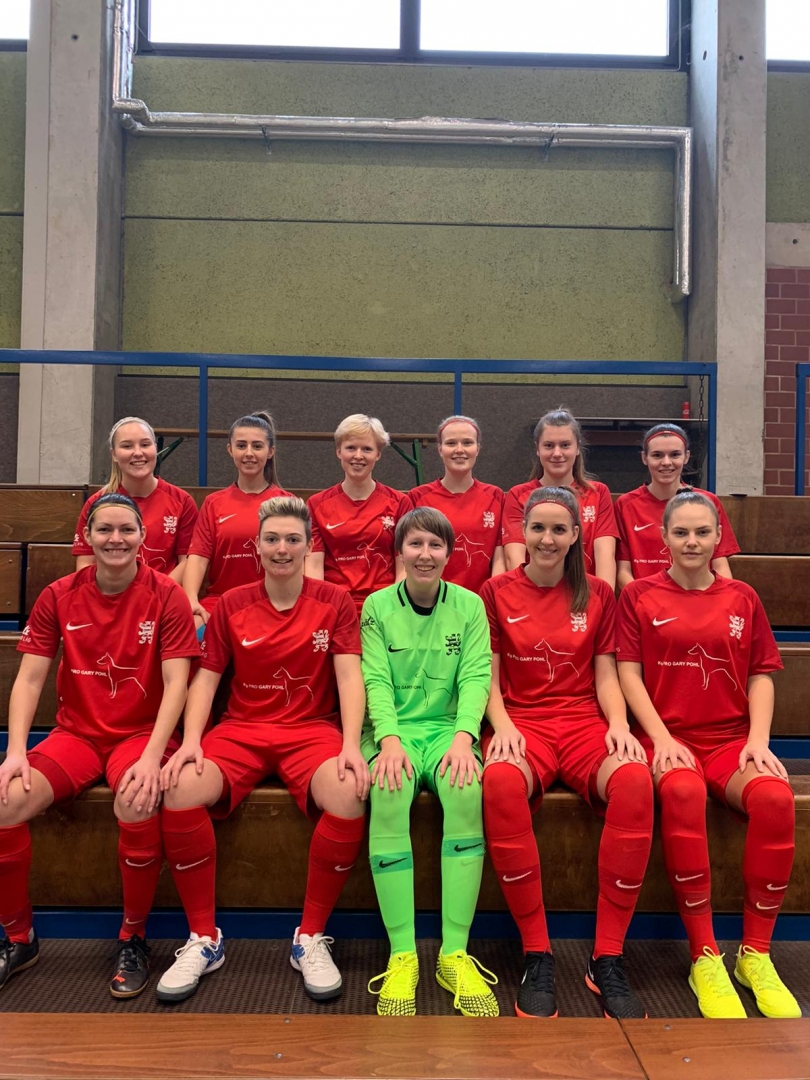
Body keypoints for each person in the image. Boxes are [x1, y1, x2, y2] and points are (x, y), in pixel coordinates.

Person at [156, 496, 369, 1004]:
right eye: (272, 539)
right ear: (256, 546)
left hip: (310, 730)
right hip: (242, 730)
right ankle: (203, 938)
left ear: (308, 546)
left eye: (293, 539)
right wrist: (190, 741)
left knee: (348, 793)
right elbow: (206, 680)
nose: (282, 548)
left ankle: (309, 937)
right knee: (180, 787)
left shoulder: (336, 601)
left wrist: (351, 745)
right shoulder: (231, 603)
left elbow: (348, 677)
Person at [0, 493, 199, 998]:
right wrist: (16, 751)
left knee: (136, 798)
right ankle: (19, 938)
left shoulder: (167, 595)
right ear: (87, 537)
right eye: (104, 530)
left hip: (140, 736)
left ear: (143, 537)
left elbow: (177, 683)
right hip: (77, 736)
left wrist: (153, 757)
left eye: (126, 530)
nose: (116, 539)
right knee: (5, 802)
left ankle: (132, 937)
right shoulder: (59, 594)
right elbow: (29, 680)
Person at [617, 490, 799, 1020]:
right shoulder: (639, 596)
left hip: (730, 743)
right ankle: (704, 955)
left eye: (702, 532)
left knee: (776, 800)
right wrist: (661, 738)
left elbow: (760, 673)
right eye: (681, 532)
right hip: (667, 739)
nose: (692, 542)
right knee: (681, 791)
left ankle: (755, 954)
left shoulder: (742, 596)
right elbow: (628, 673)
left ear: (718, 537)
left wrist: (758, 741)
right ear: (663, 538)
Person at [481, 486, 653, 1019]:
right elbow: (486, 675)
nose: (548, 538)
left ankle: (607, 957)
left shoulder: (598, 592)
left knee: (634, 778)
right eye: (538, 528)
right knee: (500, 780)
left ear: (577, 534)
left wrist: (619, 725)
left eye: (559, 529)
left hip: (582, 724)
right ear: (523, 533)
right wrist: (501, 725)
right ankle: (537, 954)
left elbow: (606, 675)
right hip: (522, 724)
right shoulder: (494, 591)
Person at [361, 507, 497, 1018]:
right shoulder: (376, 606)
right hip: (393, 731)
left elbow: (477, 676)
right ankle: (403, 955)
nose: (425, 554)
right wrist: (389, 740)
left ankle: (452, 954)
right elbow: (375, 679)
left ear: (449, 553)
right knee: (389, 789)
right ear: (399, 551)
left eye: (435, 545)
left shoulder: (470, 605)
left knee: (465, 789)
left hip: (446, 731)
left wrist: (464, 738)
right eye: (415, 544)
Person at [184, 411, 290, 630]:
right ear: (230, 449)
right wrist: (191, 600)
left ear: (270, 451)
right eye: (241, 445)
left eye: (257, 446)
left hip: (272, 603)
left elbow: (298, 562)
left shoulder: (286, 503)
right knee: (189, 631)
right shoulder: (214, 503)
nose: (249, 453)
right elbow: (198, 558)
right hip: (220, 603)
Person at [305, 414, 411, 614]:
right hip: (335, 609)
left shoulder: (400, 503)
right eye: (351, 448)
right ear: (339, 451)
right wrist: (322, 611)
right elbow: (313, 569)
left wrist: (393, 609)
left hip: (384, 609)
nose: (358, 456)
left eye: (367, 449)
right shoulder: (316, 504)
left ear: (378, 454)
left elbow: (404, 567)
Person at [501, 408, 619, 588]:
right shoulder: (518, 495)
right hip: (535, 594)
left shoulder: (598, 493)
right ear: (538, 449)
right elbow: (514, 558)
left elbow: (605, 555)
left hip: (584, 596)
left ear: (577, 448)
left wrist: (603, 599)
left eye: (565, 445)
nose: (557, 453)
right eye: (549, 445)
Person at [615, 423, 740, 591]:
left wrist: (721, 599)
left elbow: (720, 565)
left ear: (686, 456)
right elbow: (623, 571)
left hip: (698, 599)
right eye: (657, 455)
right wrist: (648, 600)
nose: (666, 462)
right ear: (644, 458)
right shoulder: (626, 505)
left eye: (675, 454)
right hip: (647, 601)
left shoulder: (707, 502)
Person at [73, 417, 198, 584]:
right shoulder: (97, 503)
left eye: (145, 444)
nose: (138, 453)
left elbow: (187, 561)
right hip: (110, 594)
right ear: (114, 454)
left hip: (161, 594)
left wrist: (158, 592)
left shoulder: (182, 501)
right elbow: (86, 564)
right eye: (127, 446)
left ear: (155, 448)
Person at [408, 415, 505, 593]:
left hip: (480, 600)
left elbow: (500, 557)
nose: (459, 450)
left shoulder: (496, 496)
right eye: (451, 443)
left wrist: (491, 597)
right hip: (433, 599)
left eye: (467, 443)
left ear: (477, 449)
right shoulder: (418, 497)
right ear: (440, 449)